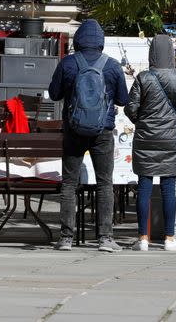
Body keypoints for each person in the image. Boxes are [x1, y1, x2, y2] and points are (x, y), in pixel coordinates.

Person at [48, 19, 129, 252]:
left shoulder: (68, 63)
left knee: (69, 183)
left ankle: (65, 238)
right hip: (102, 131)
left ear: (79, 40)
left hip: (73, 130)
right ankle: (105, 238)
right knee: (104, 183)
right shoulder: (112, 66)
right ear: (101, 41)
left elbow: (54, 94)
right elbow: (123, 100)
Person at [124, 35, 176, 252]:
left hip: (145, 138)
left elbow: (131, 108)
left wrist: (143, 122)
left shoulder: (143, 78)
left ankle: (143, 238)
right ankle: (169, 238)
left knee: (144, 187)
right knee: (168, 188)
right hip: (170, 138)